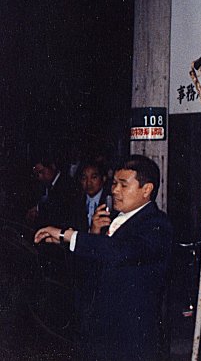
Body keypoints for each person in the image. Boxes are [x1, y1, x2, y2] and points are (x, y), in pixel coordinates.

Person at [34, 155, 173, 361]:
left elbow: (120, 252)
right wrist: (89, 236)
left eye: (123, 185)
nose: (114, 190)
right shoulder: (115, 219)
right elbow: (95, 268)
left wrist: (68, 235)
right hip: (101, 333)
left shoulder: (157, 225)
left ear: (146, 190)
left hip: (131, 339)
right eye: (114, 183)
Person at [26, 156, 78, 229]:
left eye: (41, 172)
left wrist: (38, 209)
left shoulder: (66, 183)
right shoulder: (46, 185)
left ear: (52, 167)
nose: (40, 177)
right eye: (37, 174)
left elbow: (58, 208)